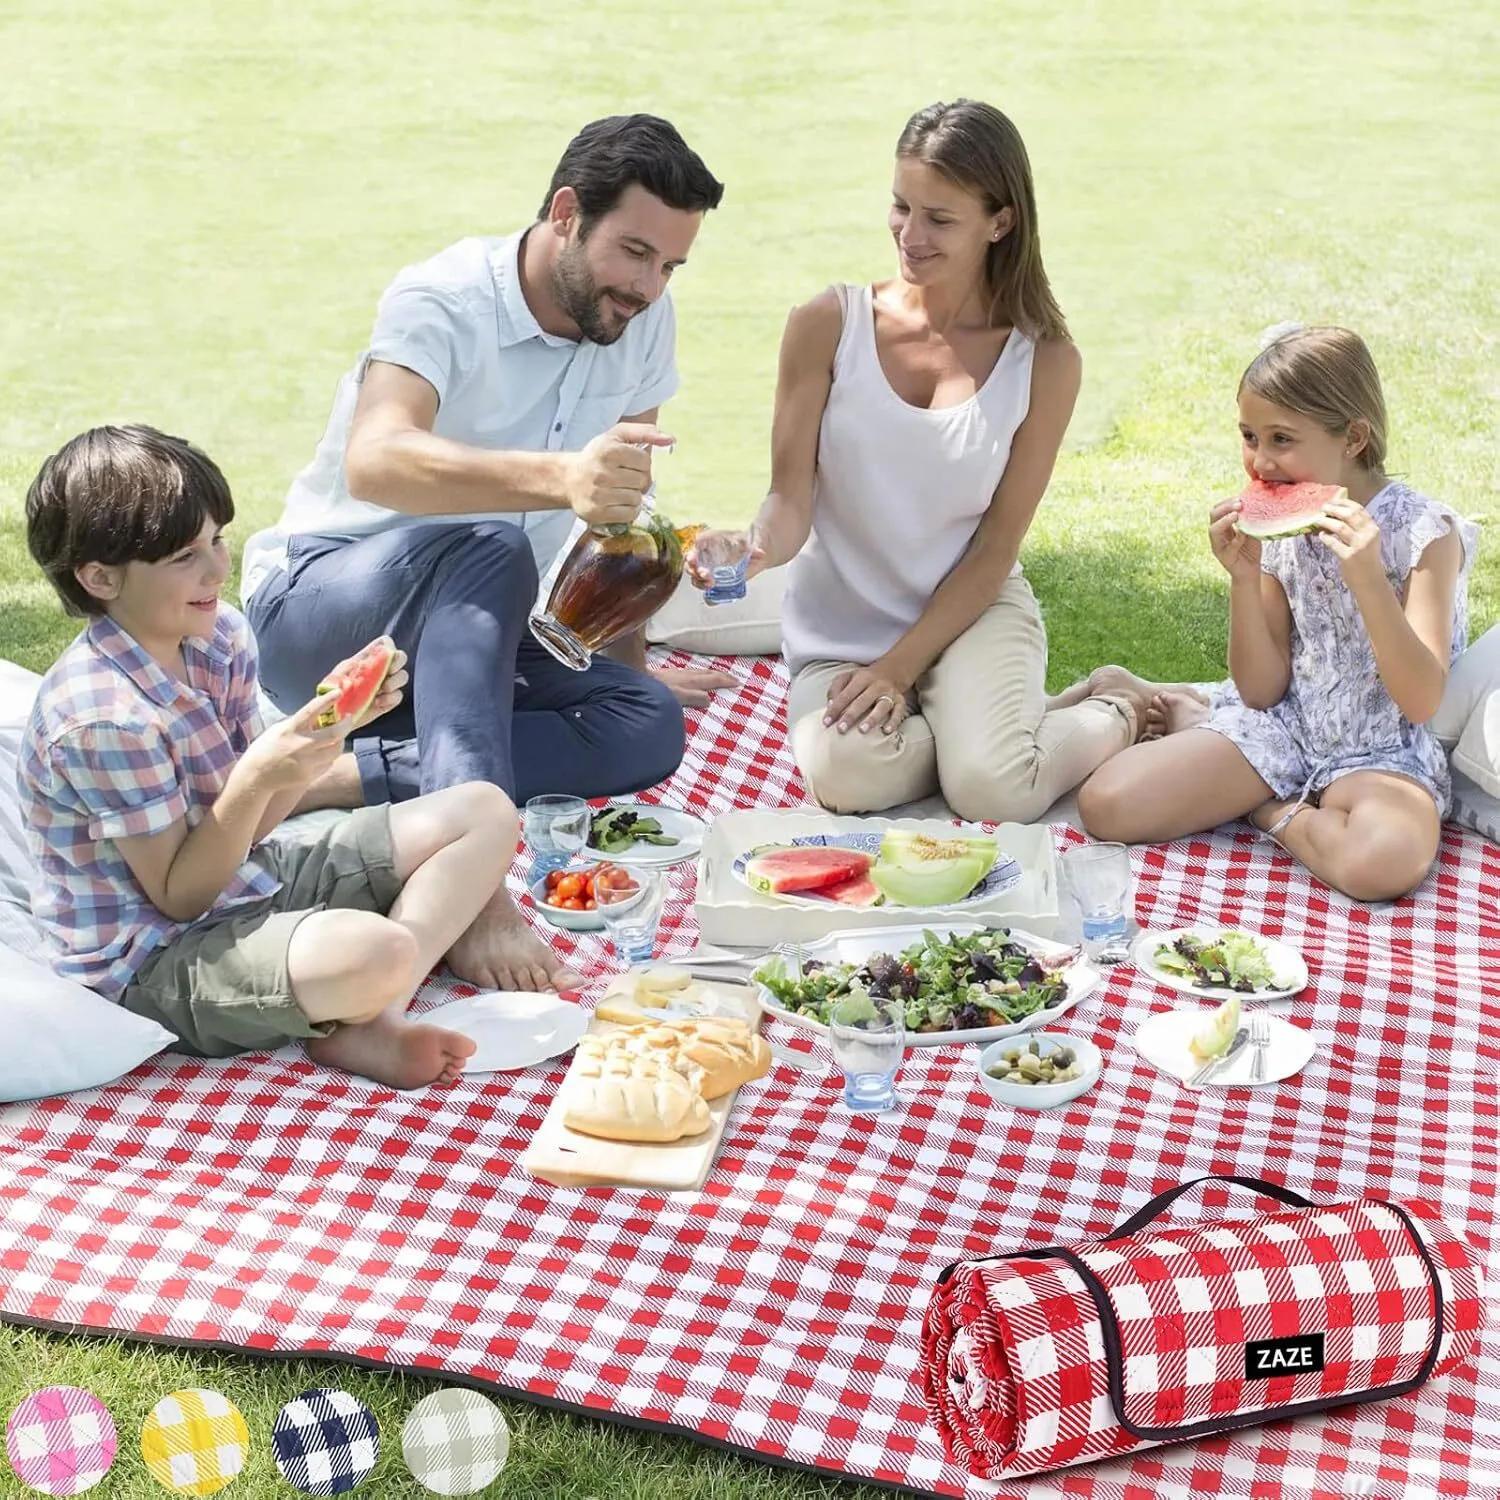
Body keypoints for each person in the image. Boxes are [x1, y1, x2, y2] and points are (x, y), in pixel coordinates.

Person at [240, 114, 730, 990]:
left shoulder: (641, 320)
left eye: (671, 266)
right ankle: (469, 889)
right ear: (566, 213)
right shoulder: (445, 297)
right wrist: (557, 479)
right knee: (493, 549)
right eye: (634, 253)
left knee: (643, 724)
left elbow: (616, 515)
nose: (650, 287)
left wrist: (626, 660)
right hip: (320, 608)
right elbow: (376, 456)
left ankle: (336, 775)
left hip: (470, 635)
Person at [685, 99, 1156, 822]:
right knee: (843, 775)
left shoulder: (1046, 362)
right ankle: (988, 735)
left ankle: (1114, 706)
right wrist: (749, 547)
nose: (910, 233)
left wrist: (901, 670)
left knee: (994, 794)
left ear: (1000, 222)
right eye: (901, 206)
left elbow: (997, 547)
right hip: (844, 628)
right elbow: (790, 500)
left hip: (971, 612)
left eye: (940, 217)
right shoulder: (825, 325)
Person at [19, 424, 516, 1090]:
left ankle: (375, 1017)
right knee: (379, 950)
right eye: (183, 557)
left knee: (483, 809)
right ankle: (366, 990)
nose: (216, 569)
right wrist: (257, 776)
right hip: (157, 959)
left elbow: (254, 828)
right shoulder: (104, 719)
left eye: (216, 541)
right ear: (101, 577)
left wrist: (326, 735)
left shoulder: (218, 636)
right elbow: (177, 896)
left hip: (250, 878)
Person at [1077, 326, 1477, 901]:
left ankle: (1269, 809)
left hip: (1383, 750)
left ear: (1353, 438)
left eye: (1282, 439)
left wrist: (1365, 576)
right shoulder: (1282, 529)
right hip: (1283, 726)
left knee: (1381, 864)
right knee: (1106, 805)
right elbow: (1263, 690)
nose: (1260, 461)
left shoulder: (1426, 534)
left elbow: (1420, 699)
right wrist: (1243, 578)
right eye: (1248, 436)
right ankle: (1249, 765)